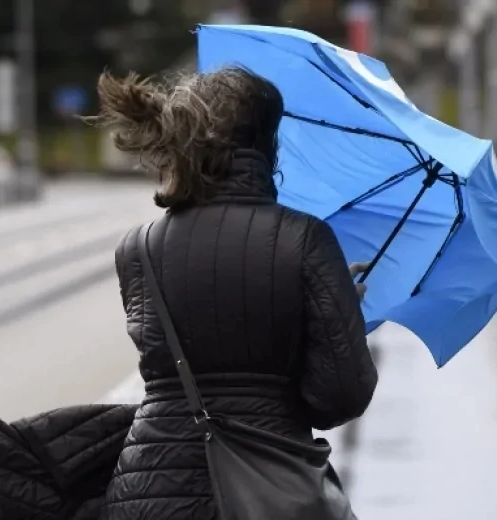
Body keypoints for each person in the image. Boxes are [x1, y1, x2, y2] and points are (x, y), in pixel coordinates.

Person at [100, 67, 379, 520]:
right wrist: (339, 315)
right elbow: (339, 397)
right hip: (267, 488)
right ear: (268, 144)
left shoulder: (138, 248)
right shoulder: (305, 240)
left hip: (148, 490)